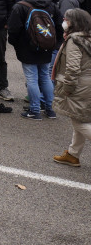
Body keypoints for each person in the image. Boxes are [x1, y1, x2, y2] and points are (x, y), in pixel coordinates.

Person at [7, 0, 58, 120]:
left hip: (27, 48)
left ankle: (35, 110)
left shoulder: (20, 6)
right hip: (47, 46)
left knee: (32, 78)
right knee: (46, 77)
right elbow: (59, 27)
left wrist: (15, 43)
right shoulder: (51, 4)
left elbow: (13, 30)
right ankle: (50, 109)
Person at [52, 9, 91, 167]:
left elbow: (73, 68)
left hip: (79, 86)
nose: (64, 21)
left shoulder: (75, 40)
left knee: (79, 122)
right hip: (87, 84)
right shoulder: (87, 37)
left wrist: (66, 88)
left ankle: (73, 155)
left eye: (66, 19)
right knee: (81, 117)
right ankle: (73, 154)